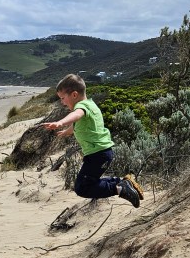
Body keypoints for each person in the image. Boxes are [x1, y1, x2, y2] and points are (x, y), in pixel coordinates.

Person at [40, 73, 144, 207]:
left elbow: (76, 115)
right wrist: (67, 132)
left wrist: (60, 123)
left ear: (74, 95)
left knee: (82, 188)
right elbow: (77, 123)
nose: (62, 102)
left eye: (63, 98)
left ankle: (120, 188)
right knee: (88, 183)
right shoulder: (90, 105)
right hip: (101, 153)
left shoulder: (82, 107)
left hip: (97, 155)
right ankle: (122, 183)